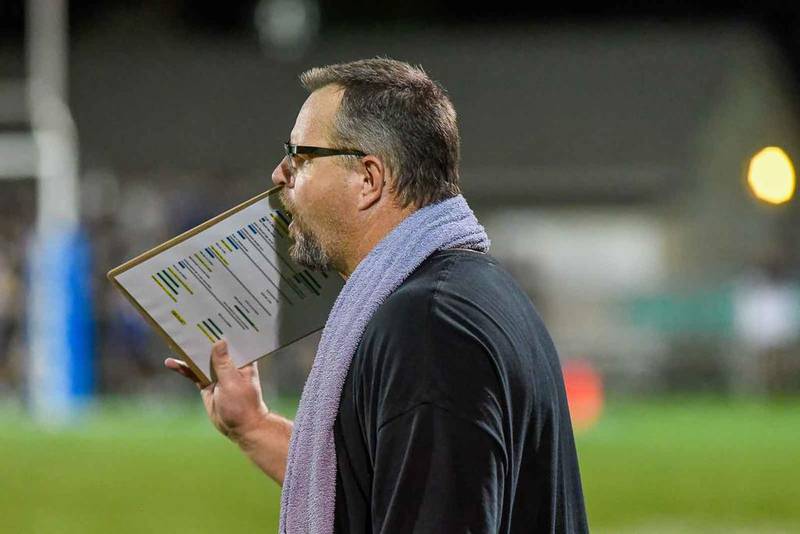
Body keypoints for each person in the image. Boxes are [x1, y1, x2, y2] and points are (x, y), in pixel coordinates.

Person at [165, 58, 588, 533]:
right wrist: (254, 427)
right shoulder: (463, 290)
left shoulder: (429, 326)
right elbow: (380, 492)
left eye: (299, 156)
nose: (279, 174)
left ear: (368, 179)